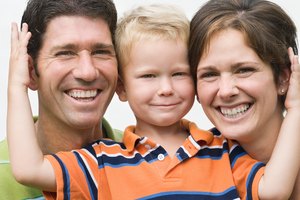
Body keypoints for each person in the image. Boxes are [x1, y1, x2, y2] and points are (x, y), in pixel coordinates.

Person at [8, 3, 296, 199]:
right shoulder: (101, 160)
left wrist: (295, 109)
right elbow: (27, 169)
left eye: (179, 74)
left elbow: (274, 192)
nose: (166, 89)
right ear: (121, 87)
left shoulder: (223, 149)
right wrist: (17, 86)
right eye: (148, 76)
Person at [2, 0, 122, 199]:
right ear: (30, 72)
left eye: (101, 52)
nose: (88, 72)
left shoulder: (146, 155)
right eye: (65, 53)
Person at [188, 0, 300, 199]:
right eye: (209, 74)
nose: (225, 91)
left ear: (284, 77)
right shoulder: (188, 164)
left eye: (244, 70)